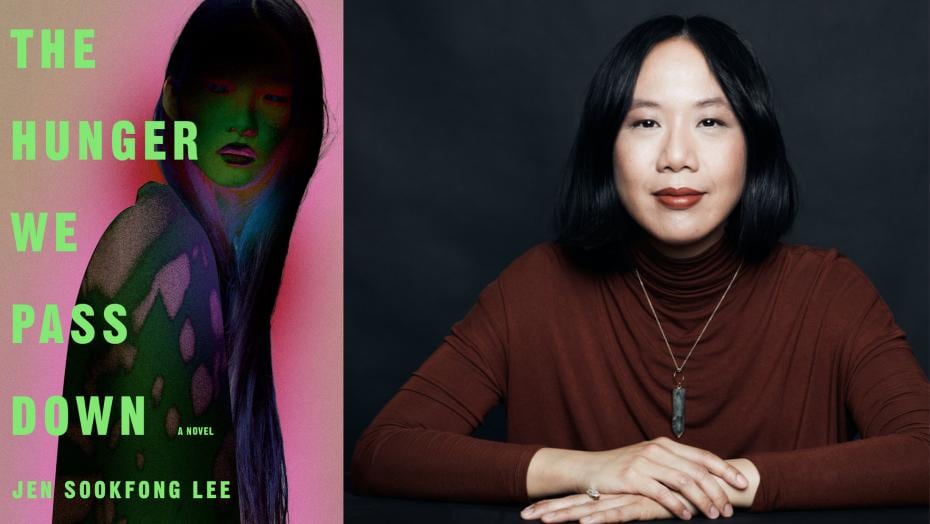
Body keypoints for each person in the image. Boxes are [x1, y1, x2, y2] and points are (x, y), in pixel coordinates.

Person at [351, 15, 929, 523]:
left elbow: (922, 452)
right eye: (646, 123)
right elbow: (385, 452)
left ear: (753, 147)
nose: (677, 155)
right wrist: (600, 469)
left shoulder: (829, 292)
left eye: (711, 122)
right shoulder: (536, 287)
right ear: (609, 147)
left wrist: (705, 487)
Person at [53, 1, 325, 522]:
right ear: (176, 100)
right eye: (221, 90)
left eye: (272, 98)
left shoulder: (202, 259)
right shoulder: (168, 253)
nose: (243, 122)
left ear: (297, 122)